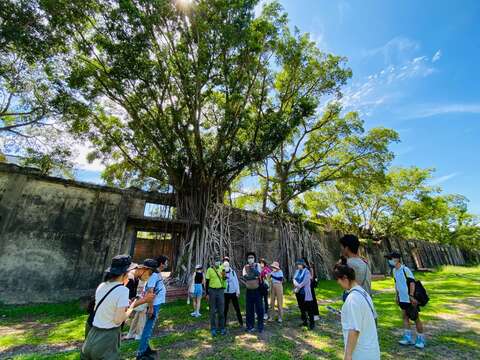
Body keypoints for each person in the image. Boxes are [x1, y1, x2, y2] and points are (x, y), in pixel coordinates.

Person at [81, 255, 146, 359]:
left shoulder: (102, 285)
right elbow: (118, 320)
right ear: (124, 273)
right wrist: (131, 307)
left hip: (91, 336)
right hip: (107, 339)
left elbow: (101, 308)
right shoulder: (123, 290)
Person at [334, 258, 380, 360]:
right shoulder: (363, 292)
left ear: (345, 278)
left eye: (339, 282)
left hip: (362, 353)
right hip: (372, 350)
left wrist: (348, 355)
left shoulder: (352, 298)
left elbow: (354, 330)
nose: (340, 285)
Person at [386, 251, 426, 349]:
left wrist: (411, 296)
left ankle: (421, 339)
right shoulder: (394, 271)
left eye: (390, 259)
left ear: (397, 259)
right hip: (402, 299)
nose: (389, 261)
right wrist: (397, 295)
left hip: (409, 299)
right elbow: (396, 283)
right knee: (404, 317)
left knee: (416, 318)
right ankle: (408, 338)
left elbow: (412, 283)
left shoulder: (405, 269)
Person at [136, 257, 168, 360]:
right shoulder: (153, 275)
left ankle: (146, 349)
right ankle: (141, 353)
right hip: (153, 304)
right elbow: (150, 291)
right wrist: (150, 308)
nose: (167, 264)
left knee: (149, 327)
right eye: (166, 263)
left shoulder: (155, 273)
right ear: (161, 264)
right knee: (148, 329)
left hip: (155, 303)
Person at [125, 263, 155, 341]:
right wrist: (144, 300)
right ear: (143, 269)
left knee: (141, 311)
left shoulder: (136, 278)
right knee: (143, 310)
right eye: (149, 273)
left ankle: (132, 333)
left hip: (129, 305)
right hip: (114, 316)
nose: (148, 276)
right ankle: (138, 334)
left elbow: (131, 298)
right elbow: (126, 302)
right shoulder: (129, 278)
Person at [242, 252, 264, 333]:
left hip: (257, 290)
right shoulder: (245, 267)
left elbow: (259, 274)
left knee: (259, 308)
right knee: (249, 309)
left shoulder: (258, 265)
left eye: (252, 257)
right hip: (249, 291)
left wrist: (253, 270)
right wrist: (253, 276)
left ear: (254, 258)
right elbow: (245, 277)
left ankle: (260, 326)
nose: (250, 259)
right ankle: (249, 326)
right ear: (247, 259)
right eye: (249, 258)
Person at [206, 257, 227, 337]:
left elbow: (224, 279)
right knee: (212, 311)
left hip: (220, 291)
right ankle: (213, 329)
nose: (217, 262)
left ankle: (222, 328)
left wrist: (224, 273)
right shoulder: (209, 270)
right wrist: (207, 293)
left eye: (218, 261)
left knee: (221, 310)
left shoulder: (222, 268)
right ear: (213, 261)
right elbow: (207, 282)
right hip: (212, 291)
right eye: (216, 261)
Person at [293, 259, 315, 330]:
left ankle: (312, 323)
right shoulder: (297, 271)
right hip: (298, 293)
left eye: (299, 264)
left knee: (309, 308)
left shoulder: (307, 272)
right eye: (298, 264)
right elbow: (294, 279)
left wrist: (298, 287)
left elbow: (305, 282)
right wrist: (296, 285)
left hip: (305, 293)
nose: (298, 266)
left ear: (303, 265)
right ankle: (305, 321)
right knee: (301, 307)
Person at [223, 259, 243, 327]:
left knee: (237, 308)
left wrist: (238, 291)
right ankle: (223, 322)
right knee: (225, 309)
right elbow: (221, 282)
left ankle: (241, 322)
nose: (226, 267)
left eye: (226, 266)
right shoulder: (222, 272)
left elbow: (236, 282)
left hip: (233, 292)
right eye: (224, 266)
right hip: (225, 293)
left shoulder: (233, 272)